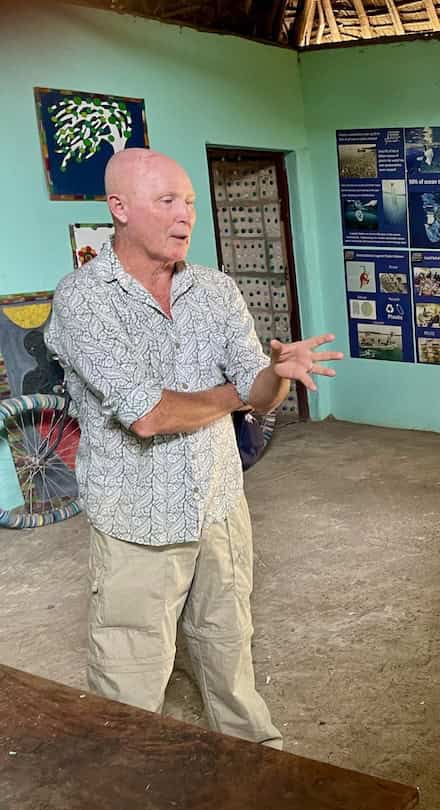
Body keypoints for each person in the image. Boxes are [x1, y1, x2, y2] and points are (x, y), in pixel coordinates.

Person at [45, 149, 341, 749]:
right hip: (135, 523)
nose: (185, 216)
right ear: (119, 209)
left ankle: (256, 767)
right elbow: (149, 414)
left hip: (217, 505)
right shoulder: (83, 300)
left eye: (189, 202)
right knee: (129, 687)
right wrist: (238, 393)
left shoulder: (216, 290)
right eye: (167, 202)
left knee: (230, 655)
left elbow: (257, 394)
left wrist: (278, 372)